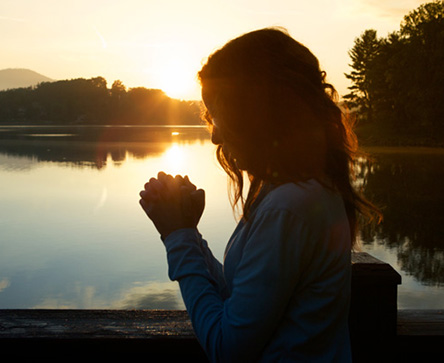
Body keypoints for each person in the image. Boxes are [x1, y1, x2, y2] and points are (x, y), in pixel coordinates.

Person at [139, 27, 380, 362]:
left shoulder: (289, 206)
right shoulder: (293, 190)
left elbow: (228, 347)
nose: (215, 135)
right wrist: (189, 233)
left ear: (255, 112)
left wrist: (177, 236)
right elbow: (244, 302)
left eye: (219, 113)